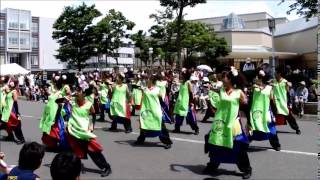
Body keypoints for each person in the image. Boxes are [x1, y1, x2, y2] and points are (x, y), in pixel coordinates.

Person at [203, 67, 252, 179]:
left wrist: (249, 122)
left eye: (224, 77)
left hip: (233, 123)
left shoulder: (238, 92)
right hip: (220, 122)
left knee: (238, 148)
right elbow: (214, 93)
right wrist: (208, 92)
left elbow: (246, 108)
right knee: (216, 144)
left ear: (230, 79)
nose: (222, 79)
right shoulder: (221, 90)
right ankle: (212, 166)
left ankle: (246, 169)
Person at [67, 86, 112, 177]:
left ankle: (106, 167)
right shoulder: (73, 101)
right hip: (74, 130)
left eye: (78, 91)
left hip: (84, 131)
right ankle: (74, 168)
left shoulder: (88, 104)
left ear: (83, 94)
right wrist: (67, 97)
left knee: (93, 151)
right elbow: (59, 101)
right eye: (75, 91)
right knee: (74, 150)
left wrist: (92, 125)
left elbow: (93, 115)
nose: (76, 93)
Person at [135, 75, 173, 149]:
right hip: (146, 111)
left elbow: (161, 101)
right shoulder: (145, 89)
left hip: (156, 111)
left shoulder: (158, 89)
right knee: (144, 125)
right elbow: (143, 100)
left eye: (148, 79)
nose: (146, 81)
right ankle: (141, 139)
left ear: (152, 81)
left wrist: (163, 110)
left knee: (161, 126)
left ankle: (167, 142)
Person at [248, 70, 281, 151]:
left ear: (261, 79)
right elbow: (250, 88)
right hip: (255, 111)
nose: (255, 78)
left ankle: (276, 144)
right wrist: (255, 87)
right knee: (252, 128)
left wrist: (277, 108)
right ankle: (244, 143)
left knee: (271, 129)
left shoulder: (270, 88)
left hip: (266, 111)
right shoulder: (254, 87)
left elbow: (272, 100)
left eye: (257, 77)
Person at [39, 77, 68, 151]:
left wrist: (56, 117)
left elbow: (60, 106)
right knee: (49, 129)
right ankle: (51, 145)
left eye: (55, 82)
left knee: (54, 130)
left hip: (55, 115)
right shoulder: (55, 92)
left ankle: (54, 146)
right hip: (50, 114)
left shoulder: (59, 94)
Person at [272, 67, 301, 134]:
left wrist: (289, 86)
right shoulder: (273, 81)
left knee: (289, 116)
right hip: (275, 102)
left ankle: (296, 128)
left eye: (275, 72)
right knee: (270, 116)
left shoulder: (285, 82)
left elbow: (288, 92)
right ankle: (269, 130)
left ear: (279, 74)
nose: (274, 73)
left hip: (283, 102)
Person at [173, 70, 199, 135]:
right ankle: (177, 128)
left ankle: (196, 129)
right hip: (180, 102)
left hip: (186, 102)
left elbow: (190, 93)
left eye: (182, 75)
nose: (181, 75)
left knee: (190, 117)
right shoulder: (182, 82)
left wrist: (191, 102)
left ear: (186, 76)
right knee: (178, 116)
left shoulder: (188, 82)